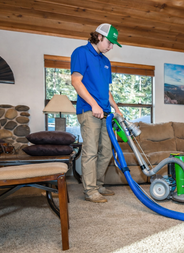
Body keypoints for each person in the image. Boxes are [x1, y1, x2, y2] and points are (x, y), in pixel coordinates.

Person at [71, 23, 123, 203]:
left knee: (107, 151)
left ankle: (99, 184)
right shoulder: (81, 52)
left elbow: (106, 90)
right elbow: (76, 81)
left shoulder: (105, 61)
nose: (111, 47)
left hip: (106, 113)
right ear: (99, 36)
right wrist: (94, 105)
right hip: (88, 110)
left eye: (113, 44)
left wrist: (116, 109)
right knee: (91, 151)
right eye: (109, 42)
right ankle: (90, 191)